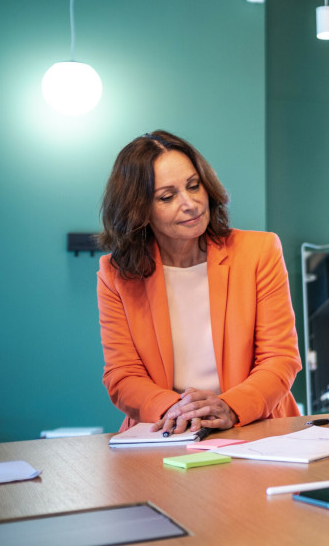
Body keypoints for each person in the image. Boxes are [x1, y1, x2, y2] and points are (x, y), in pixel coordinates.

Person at [97, 130, 302, 435]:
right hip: (165, 430)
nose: (190, 203)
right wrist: (176, 409)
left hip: (253, 426)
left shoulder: (260, 251)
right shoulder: (114, 274)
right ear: (139, 210)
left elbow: (280, 358)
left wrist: (230, 407)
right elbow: (122, 375)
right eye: (167, 197)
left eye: (194, 186)